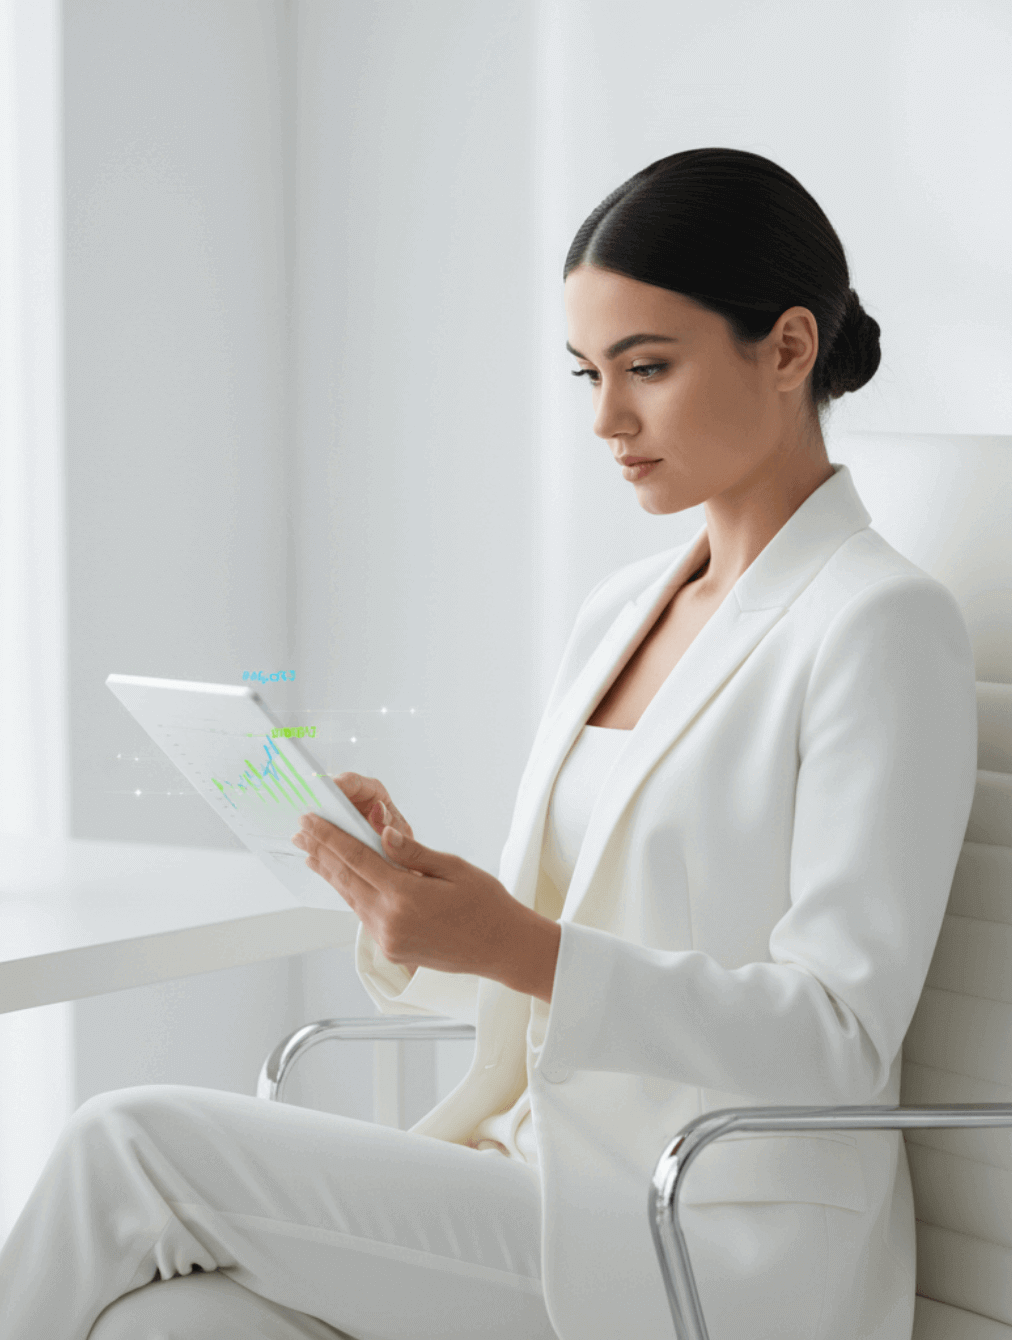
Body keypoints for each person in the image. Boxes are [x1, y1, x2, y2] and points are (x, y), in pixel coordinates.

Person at [0, 147, 977, 1340]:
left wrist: (523, 946)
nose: (608, 420)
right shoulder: (621, 609)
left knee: (131, 1143)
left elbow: (836, 1033)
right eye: (588, 374)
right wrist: (406, 897)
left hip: (710, 1226)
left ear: (785, 349)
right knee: (175, 1323)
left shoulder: (877, 623)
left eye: (648, 368)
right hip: (533, 1167)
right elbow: (564, 958)